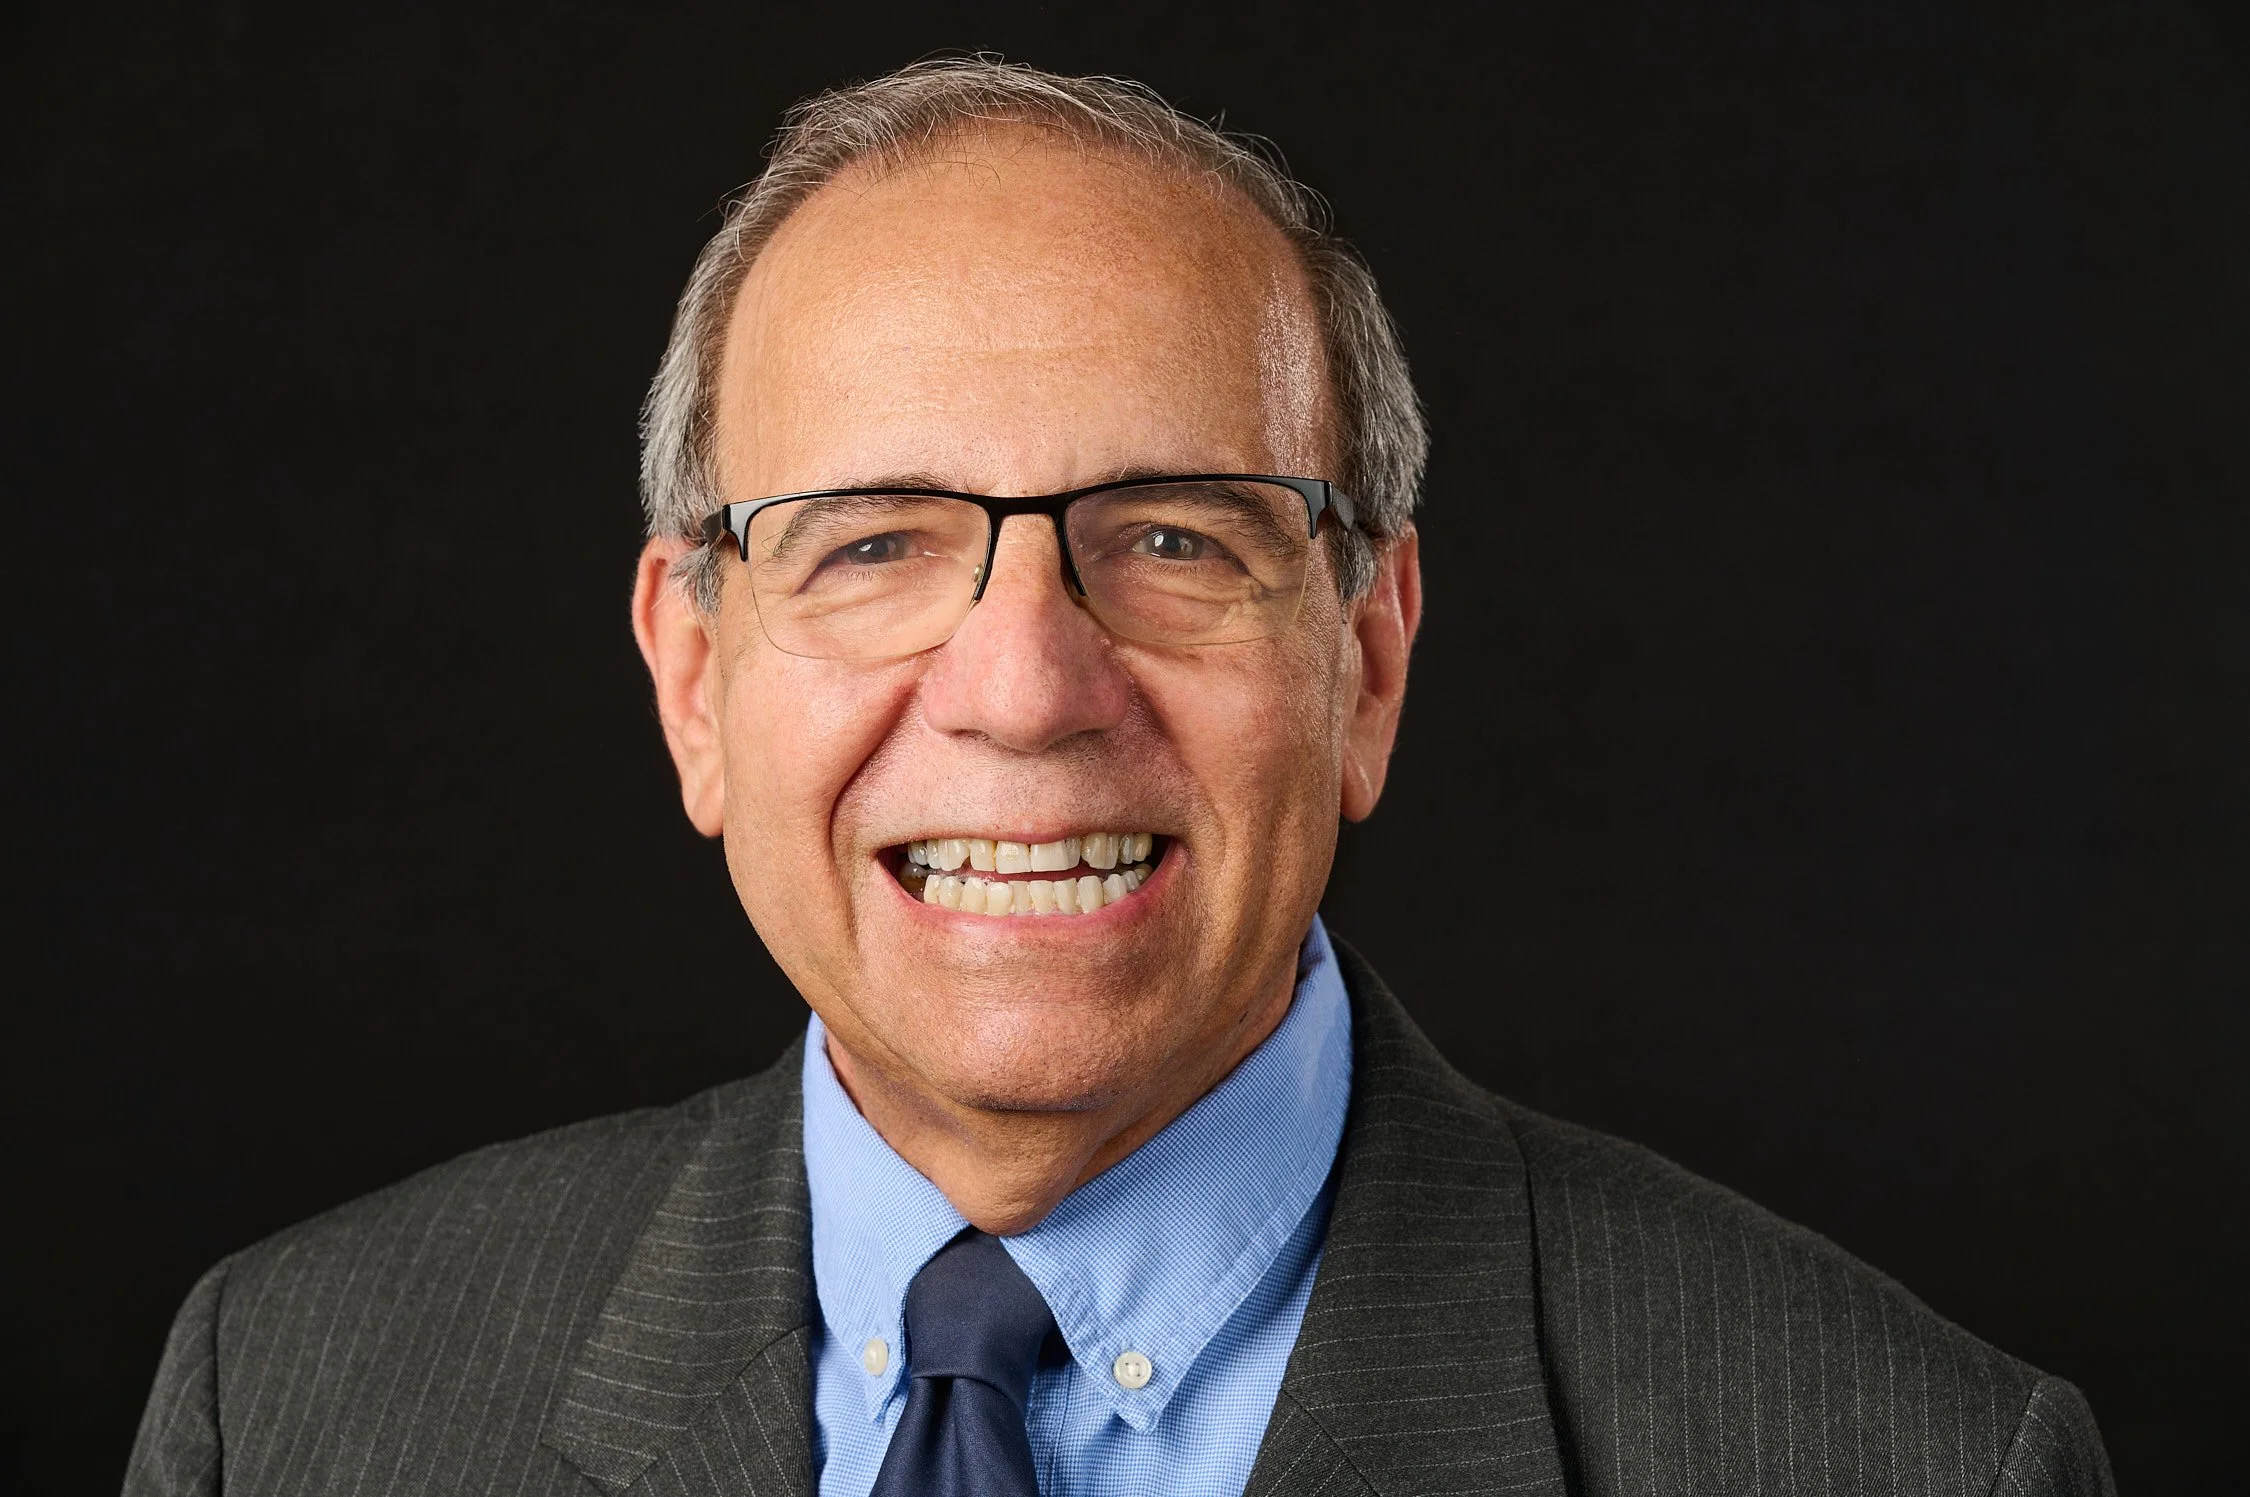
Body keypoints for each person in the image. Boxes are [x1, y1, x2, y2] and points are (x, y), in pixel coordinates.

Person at [123, 59, 2113, 1497]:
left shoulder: (1907, 1456)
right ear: (695, 677)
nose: (1023, 688)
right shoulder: (284, 1402)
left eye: (1173, 537)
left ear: (1368, 658)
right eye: (872, 543)